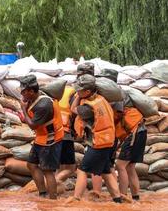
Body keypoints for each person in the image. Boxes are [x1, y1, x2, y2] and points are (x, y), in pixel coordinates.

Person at [66, 74, 123, 203]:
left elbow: (73, 109)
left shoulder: (88, 107)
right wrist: (80, 95)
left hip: (99, 143)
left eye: (80, 90)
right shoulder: (100, 99)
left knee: (81, 170)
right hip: (108, 141)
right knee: (106, 172)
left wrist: (77, 97)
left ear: (87, 92)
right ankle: (118, 200)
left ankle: (76, 199)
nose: (77, 91)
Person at [99, 69, 146, 201]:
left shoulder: (116, 93)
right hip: (139, 129)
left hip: (135, 130)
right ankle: (135, 198)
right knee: (130, 166)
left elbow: (118, 113)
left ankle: (123, 198)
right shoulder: (114, 93)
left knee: (120, 166)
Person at [19, 75, 64, 200]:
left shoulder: (43, 105)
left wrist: (23, 109)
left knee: (48, 171)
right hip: (41, 138)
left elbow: (33, 125)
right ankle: (42, 193)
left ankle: (53, 200)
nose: (22, 95)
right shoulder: (35, 98)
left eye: (24, 92)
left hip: (50, 140)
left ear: (32, 91)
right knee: (31, 165)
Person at [56, 62, 95, 183]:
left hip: (57, 129)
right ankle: (52, 184)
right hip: (65, 132)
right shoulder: (79, 92)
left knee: (61, 165)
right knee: (70, 167)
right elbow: (74, 111)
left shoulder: (68, 88)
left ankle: (56, 189)